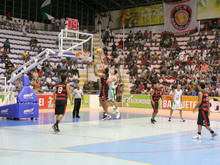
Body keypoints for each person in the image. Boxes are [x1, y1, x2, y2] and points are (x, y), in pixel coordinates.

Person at [93, 48, 111, 120]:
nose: (103, 67)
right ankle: (105, 112)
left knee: (104, 100)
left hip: (104, 87)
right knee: (100, 100)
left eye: (104, 68)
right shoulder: (105, 72)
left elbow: (96, 73)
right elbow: (102, 63)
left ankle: (106, 113)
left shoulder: (104, 75)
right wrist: (100, 55)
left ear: (104, 70)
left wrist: (94, 67)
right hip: (103, 87)